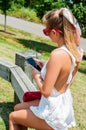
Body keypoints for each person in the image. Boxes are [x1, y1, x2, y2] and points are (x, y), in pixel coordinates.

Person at [9, 8, 83, 130]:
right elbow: (66, 78)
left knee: (13, 117)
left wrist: (37, 75)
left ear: (54, 32)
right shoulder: (74, 52)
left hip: (53, 110)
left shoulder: (57, 54)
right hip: (62, 105)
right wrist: (45, 66)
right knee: (18, 108)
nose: (47, 35)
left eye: (46, 31)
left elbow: (46, 91)